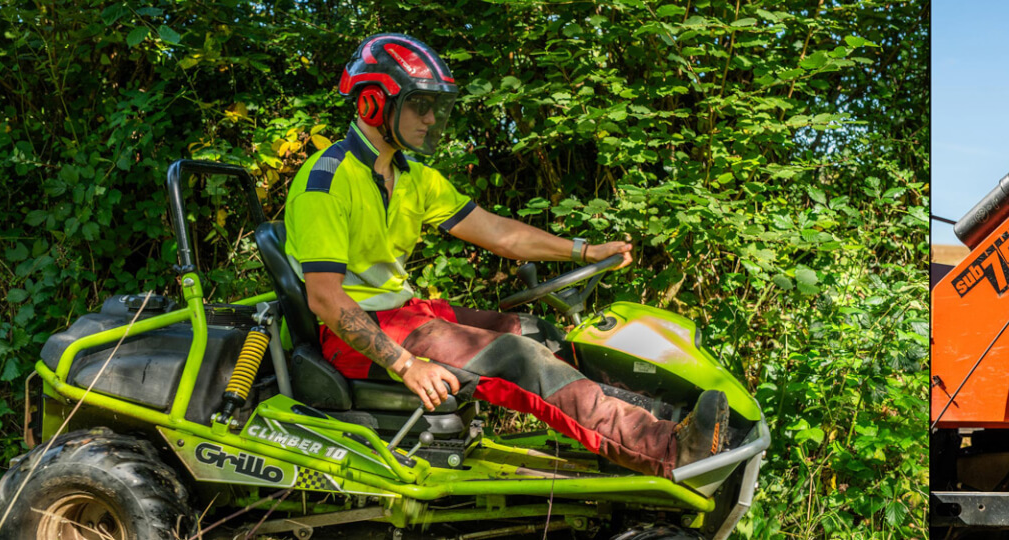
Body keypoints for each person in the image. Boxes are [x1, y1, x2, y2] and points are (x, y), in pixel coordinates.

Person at [285, 33, 727, 478]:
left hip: (404, 313)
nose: (432, 118)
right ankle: (669, 452)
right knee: (519, 356)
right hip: (354, 334)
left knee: (540, 333)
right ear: (373, 104)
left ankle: (667, 424)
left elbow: (499, 234)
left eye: (436, 107)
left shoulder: (414, 177)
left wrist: (584, 250)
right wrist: (406, 365)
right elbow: (325, 299)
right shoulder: (326, 181)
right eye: (421, 105)